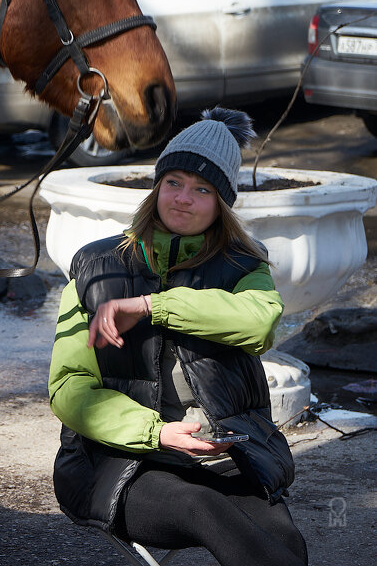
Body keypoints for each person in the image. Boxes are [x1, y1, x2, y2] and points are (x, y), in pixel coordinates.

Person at [48, 108, 308, 566]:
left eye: (202, 189)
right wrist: (159, 433)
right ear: (156, 186)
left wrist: (153, 307)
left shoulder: (243, 265)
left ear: (221, 203)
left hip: (221, 452)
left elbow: (259, 322)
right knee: (203, 508)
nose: (183, 198)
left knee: (284, 542)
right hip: (121, 461)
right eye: (174, 182)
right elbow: (69, 389)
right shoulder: (95, 268)